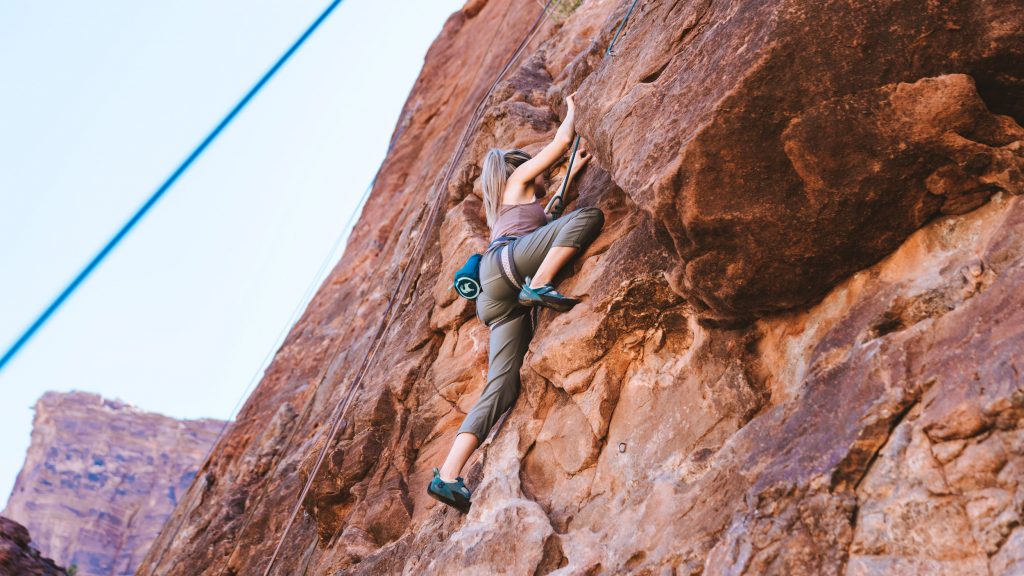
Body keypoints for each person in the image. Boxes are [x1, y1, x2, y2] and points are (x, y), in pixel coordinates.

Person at [427, 92, 605, 513]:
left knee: (500, 387)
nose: (538, 175)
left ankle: (447, 477)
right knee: (589, 218)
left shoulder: (512, 209)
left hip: (496, 296)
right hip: (513, 270)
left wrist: (571, 177)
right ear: (515, 168)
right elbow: (560, 147)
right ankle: (541, 284)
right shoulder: (515, 181)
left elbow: (547, 219)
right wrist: (575, 111)